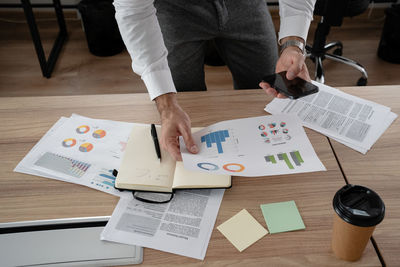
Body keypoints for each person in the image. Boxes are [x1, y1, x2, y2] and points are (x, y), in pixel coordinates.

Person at [113, 0, 316, 161]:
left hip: (246, 6)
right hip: (175, 9)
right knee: (183, 102)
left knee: (267, 92)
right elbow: (133, 11)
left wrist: (293, 44)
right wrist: (165, 105)